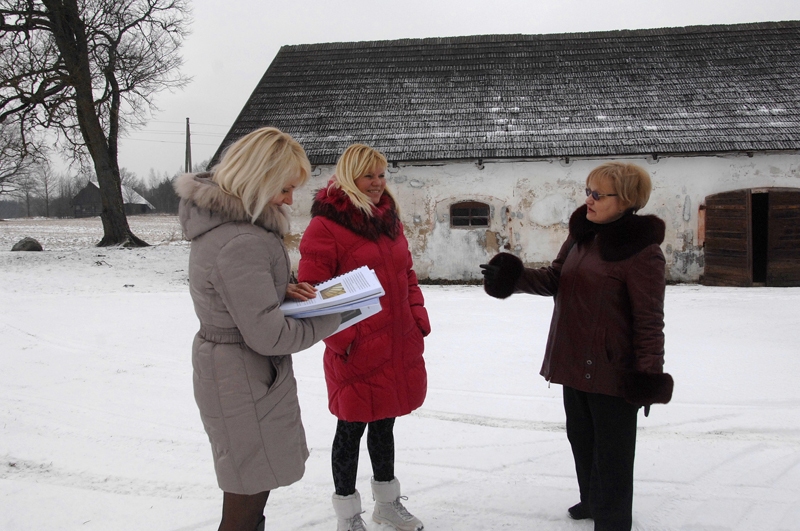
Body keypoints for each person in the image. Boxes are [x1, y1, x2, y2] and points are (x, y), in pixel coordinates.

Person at [480, 161, 674, 531]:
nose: (589, 199)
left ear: (627, 200)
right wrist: (513, 276)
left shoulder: (642, 253)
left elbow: (650, 321)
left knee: (612, 451)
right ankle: (592, 499)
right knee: (581, 438)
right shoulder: (582, 235)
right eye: (587, 190)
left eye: (598, 194)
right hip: (572, 358)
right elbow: (555, 278)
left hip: (613, 368)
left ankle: (613, 519)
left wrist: (648, 376)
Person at [175, 127, 342, 531]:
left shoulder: (229, 227)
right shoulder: (241, 240)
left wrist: (277, 288)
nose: (289, 200)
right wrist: (336, 313)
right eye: (284, 188)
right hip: (243, 375)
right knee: (246, 492)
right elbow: (270, 335)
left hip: (239, 371)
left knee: (252, 479)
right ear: (259, 179)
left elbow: (229, 291)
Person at [298, 144, 430, 531]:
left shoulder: (390, 220)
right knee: (351, 428)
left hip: (396, 340)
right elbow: (315, 290)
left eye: (382, 175)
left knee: (385, 422)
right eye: (368, 175)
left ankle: (387, 505)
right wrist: (346, 340)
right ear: (348, 176)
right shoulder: (325, 226)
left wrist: (416, 317)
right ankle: (348, 516)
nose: (377, 183)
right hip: (355, 348)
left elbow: (406, 275)